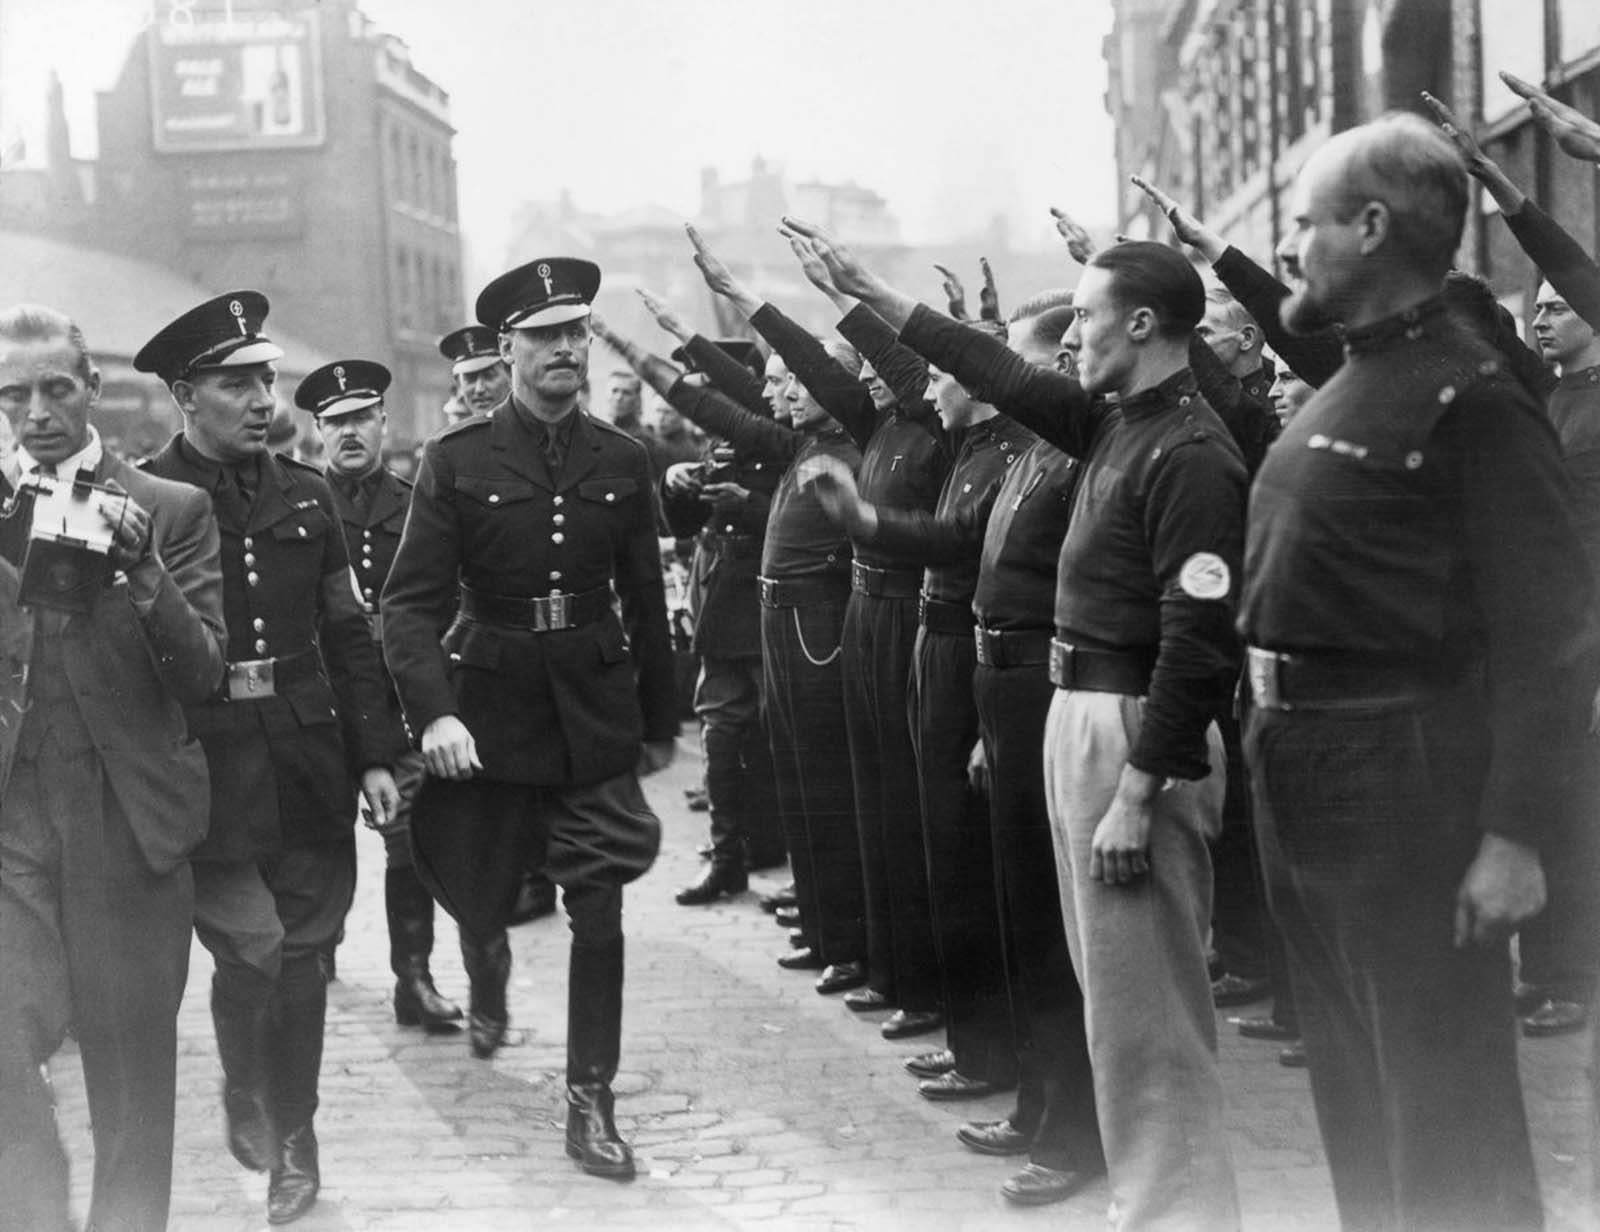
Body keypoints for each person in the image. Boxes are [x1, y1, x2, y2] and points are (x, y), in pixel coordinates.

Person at [787, 217, 1249, 1229]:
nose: (1071, 336)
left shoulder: (1192, 451)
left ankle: (1180, 1208)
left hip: (1132, 729)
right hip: (1076, 707)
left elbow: (1199, 636)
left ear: (1139, 322)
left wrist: (1140, 788)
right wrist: (872, 293)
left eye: (1084, 317)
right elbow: (998, 371)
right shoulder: (1117, 419)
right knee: (1110, 1000)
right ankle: (1153, 1196)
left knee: (1149, 1014)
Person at [1241, 112, 1599, 1231]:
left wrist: (1515, 834)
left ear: (1371, 225)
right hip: (1305, 772)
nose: (1293, 247)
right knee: (1359, 1097)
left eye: (1304, 225)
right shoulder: (1357, 376)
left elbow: (1550, 632)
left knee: (1442, 1113)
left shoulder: (1473, 396)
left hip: (1401, 780)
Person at [382, 258, 676, 1182]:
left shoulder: (622, 461)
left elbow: (644, 599)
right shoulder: (457, 462)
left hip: (589, 713)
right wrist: (432, 713)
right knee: (479, 881)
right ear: (505, 348)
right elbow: (409, 605)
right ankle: (486, 966)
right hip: (488, 712)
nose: (563, 349)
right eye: (543, 335)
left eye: (575, 331)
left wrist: (659, 719)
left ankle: (591, 1099)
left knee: (599, 906)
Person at [136, 292, 404, 1226]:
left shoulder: (309, 493)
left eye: (265, 379)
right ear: (183, 394)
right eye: (234, 382)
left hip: (306, 754)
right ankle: (244, 1080)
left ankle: (298, 1140)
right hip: (204, 764)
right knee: (248, 956)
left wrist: (377, 756)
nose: (261, 399)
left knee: (304, 958)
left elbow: (348, 632)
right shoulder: (139, 498)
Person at [687, 222, 952, 1042]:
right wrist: (716, 315)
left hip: (857, 621)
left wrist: (846, 292)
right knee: (836, 791)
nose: (871, 382)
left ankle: (885, 959)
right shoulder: (878, 430)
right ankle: (852, 942)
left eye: (883, 371)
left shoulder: (918, 430)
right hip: (842, 619)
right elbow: (779, 381)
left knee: (870, 801)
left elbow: (850, 364)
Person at [0, 304, 225, 1232]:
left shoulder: (171, 509)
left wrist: (145, 574)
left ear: (92, 389)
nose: (38, 411)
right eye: (15, 394)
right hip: (15, 826)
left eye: (57, 388)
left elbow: (204, 673)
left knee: (132, 1074)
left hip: (127, 823)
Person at [593, 312, 870, 996]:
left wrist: (744, 502)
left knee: (784, 747)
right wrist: (682, 488)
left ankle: (791, 874)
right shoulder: (724, 444)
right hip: (732, 608)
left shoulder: (796, 439)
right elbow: (684, 523)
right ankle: (728, 857)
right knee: (724, 738)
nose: (773, 396)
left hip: (783, 610)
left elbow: (801, 508)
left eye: (780, 384)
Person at [301, 358, 517, 1046]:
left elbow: (444, 600)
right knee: (319, 838)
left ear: (384, 423)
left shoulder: (418, 502)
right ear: (316, 433)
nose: (351, 432)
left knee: (407, 838)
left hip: (396, 698)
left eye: (362, 417)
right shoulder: (303, 507)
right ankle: (320, 937)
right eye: (336, 422)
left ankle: (412, 977)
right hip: (320, 696)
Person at [440, 324, 512, 418]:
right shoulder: (461, 432)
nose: (479, 389)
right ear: (459, 384)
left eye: (489, 376)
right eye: (470, 379)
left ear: (510, 375)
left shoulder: (532, 429)